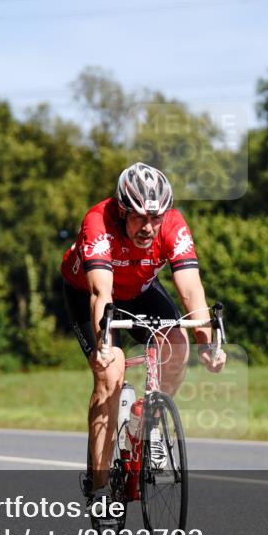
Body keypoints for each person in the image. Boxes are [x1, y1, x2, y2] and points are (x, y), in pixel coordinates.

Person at [60, 162, 226, 503]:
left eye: (155, 218)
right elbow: (100, 293)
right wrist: (104, 344)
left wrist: (207, 344)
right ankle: (100, 487)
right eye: (138, 217)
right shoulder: (98, 222)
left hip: (140, 290)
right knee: (111, 372)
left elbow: (192, 291)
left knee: (177, 345)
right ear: (122, 212)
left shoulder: (173, 225)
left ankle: (145, 422)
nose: (148, 227)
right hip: (89, 292)